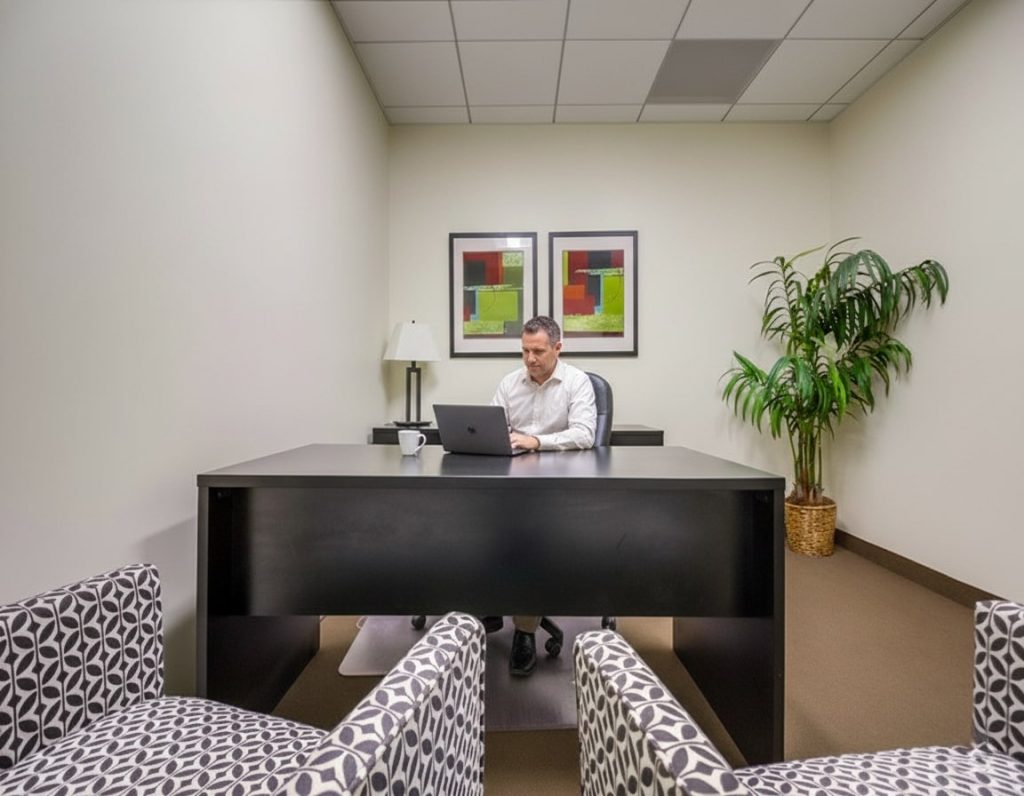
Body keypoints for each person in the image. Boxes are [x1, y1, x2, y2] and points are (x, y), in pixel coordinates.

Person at [490, 315, 596, 676]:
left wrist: (537, 441)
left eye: (538, 351)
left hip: (559, 485)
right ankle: (487, 603)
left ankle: (524, 632)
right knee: (474, 520)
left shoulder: (577, 382)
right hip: (512, 481)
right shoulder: (509, 383)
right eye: (525, 351)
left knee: (528, 539)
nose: (530, 359)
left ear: (557, 348)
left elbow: (584, 434)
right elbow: (493, 428)